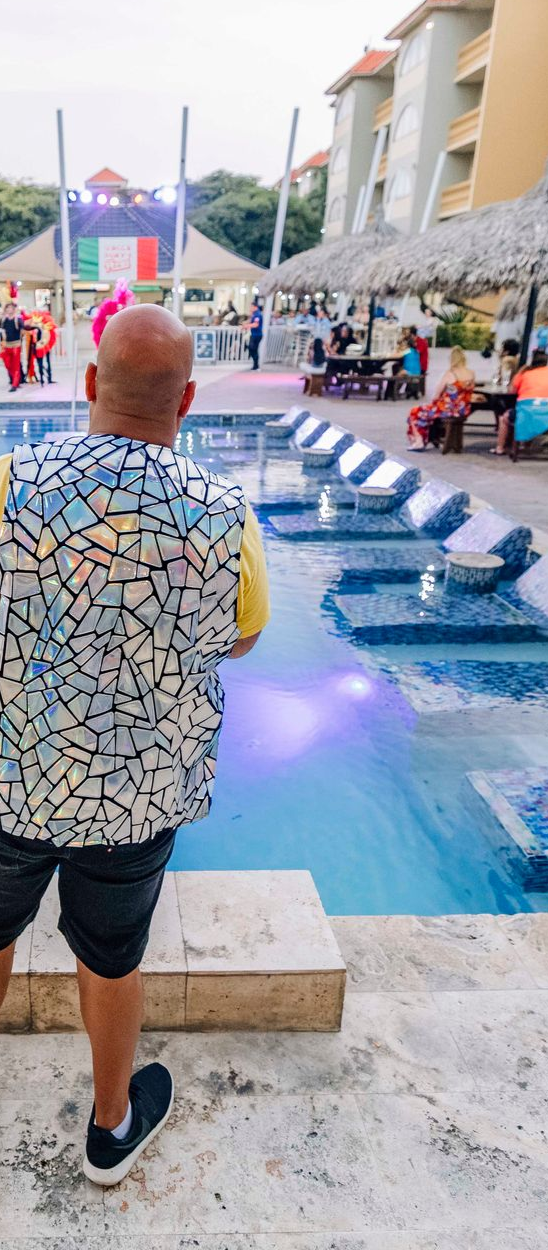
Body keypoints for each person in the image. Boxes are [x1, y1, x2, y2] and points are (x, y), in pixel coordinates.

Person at [0, 305, 270, 1187]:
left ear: (88, 382)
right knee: (111, 959)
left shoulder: (10, 480)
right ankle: (110, 1128)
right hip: (134, 795)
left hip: (10, 775)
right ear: (187, 400)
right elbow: (241, 638)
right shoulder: (224, 511)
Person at [492, 349, 548, 456]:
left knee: (504, 418)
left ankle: (500, 448)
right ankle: (525, 445)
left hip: (528, 411)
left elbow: (512, 390)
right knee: (529, 413)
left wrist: (520, 372)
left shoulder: (525, 373)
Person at [407, 345, 475, 450]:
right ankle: (432, 437)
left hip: (448, 410)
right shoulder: (471, 373)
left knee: (415, 411)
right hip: (463, 410)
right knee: (429, 412)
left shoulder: (450, 373)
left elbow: (437, 394)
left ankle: (419, 440)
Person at [0, 302, 29, 392]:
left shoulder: (18, 319)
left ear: (14, 309)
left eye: (11, 308)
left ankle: (15, 384)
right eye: (8, 308)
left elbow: (23, 328)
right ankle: (16, 380)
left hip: (16, 345)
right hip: (6, 345)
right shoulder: (3, 320)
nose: (9, 310)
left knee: (16, 365)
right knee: (8, 364)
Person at [248, 300, 263, 370]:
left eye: (251, 307)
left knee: (253, 349)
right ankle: (255, 364)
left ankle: (256, 365)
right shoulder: (254, 314)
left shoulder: (258, 314)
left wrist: (247, 326)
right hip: (254, 334)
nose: (250, 308)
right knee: (252, 349)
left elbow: (256, 324)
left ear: (255, 307)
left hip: (257, 335)